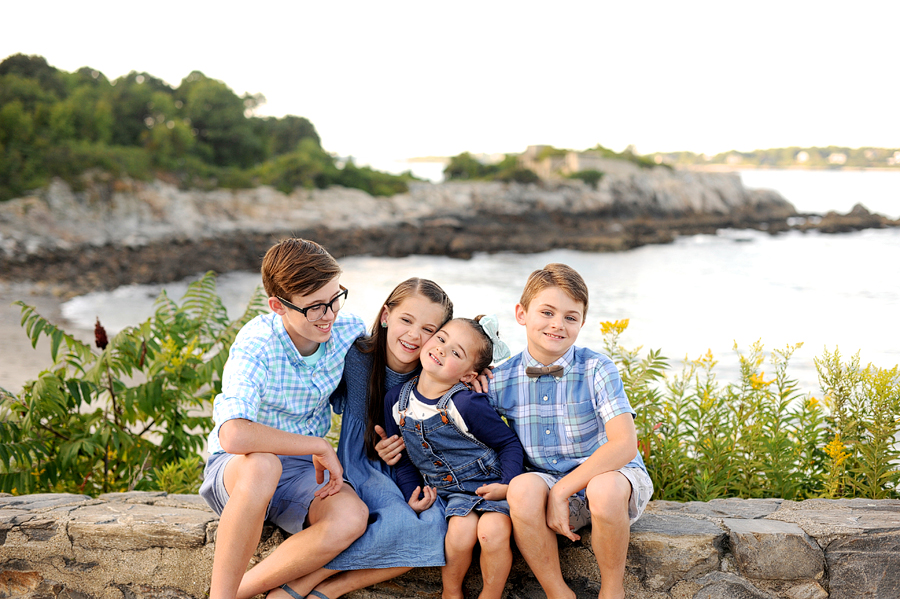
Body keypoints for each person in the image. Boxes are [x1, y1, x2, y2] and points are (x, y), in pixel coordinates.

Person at [198, 238, 368, 599]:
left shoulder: (349, 330)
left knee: (352, 518)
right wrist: (317, 444)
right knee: (263, 466)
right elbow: (233, 435)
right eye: (315, 307)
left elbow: (392, 376)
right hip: (240, 469)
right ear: (278, 305)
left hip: (304, 473)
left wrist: (467, 372)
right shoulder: (256, 344)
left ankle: (246, 592)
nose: (330, 314)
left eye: (335, 297)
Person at [270, 278, 455, 599]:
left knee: (435, 528)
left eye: (428, 329)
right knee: (404, 524)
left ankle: (324, 587)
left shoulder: (434, 377)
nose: (413, 336)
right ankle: (298, 584)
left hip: (409, 474)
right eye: (406, 320)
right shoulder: (353, 356)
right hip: (360, 468)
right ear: (386, 316)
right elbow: (303, 374)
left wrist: (479, 370)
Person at [481, 264, 654, 599]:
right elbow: (464, 421)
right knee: (521, 489)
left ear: (582, 323)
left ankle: (612, 591)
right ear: (522, 313)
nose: (557, 324)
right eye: (546, 312)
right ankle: (558, 592)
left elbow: (624, 445)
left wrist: (562, 492)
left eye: (570, 317)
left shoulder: (596, 367)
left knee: (602, 490)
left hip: (612, 477)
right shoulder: (500, 380)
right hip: (547, 480)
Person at [383, 316, 524, 599]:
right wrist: (413, 491)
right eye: (441, 338)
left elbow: (509, 443)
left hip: (490, 484)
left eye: (456, 353)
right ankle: (451, 593)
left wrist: (507, 485)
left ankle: (491, 595)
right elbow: (403, 456)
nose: (442, 350)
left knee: (492, 532)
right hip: (451, 492)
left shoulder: (465, 403)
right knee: (459, 534)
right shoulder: (397, 401)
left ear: (468, 376)